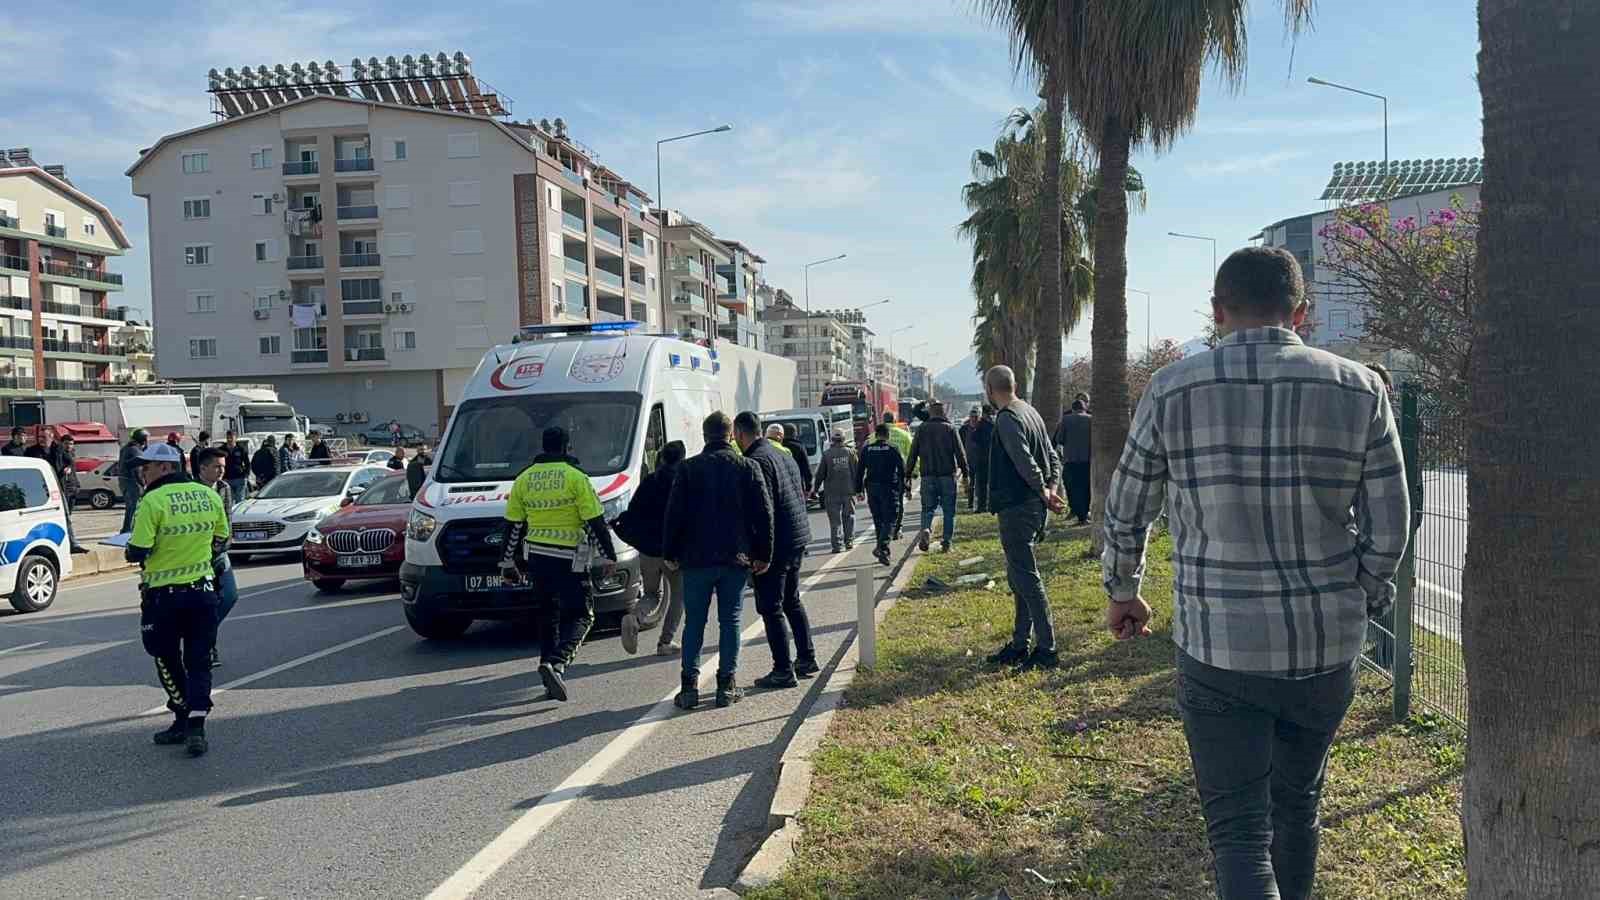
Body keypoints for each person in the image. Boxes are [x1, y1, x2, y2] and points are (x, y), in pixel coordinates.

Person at [1100, 247, 1410, 900]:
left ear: (1217, 313)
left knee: (1239, 833)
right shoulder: (1360, 388)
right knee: (1297, 806)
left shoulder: (1173, 387)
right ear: (1303, 313)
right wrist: (1361, 596)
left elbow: (1129, 505)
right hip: (1325, 649)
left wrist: (1123, 591)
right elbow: (1390, 525)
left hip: (1219, 648)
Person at [497, 426, 619, 702]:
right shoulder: (576, 478)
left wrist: (506, 563)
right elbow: (594, 522)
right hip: (569, 560)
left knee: (547, 614)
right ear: (566, 448)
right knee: (583, 615)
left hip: (536, 559)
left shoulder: (524, 479)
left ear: (543, 446)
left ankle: (548, 670)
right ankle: (557, 664)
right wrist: (608, 555)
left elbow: (512, 527)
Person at [663, 412, 773, 710]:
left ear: (704, 434)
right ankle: (727, 685)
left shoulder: (687, 469)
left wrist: (670, 553)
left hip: (695, 559)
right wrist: (764, 554)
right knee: (731, 621)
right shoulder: (747, 466)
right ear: (730, 435)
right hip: (734, 559)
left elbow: (674, 516)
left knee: (694, 622)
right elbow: (763, 514)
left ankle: (689, 689)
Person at [125, 442, 229, 757]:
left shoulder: (152, 500)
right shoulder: (208, 495)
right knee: (199, 662)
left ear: (166, 468)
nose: (143, 471)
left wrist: (131, 549)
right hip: (203, 594)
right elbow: (221, 538)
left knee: (165, 658)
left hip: (164, 598)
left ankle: (183, 716)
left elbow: (138, 550)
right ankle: (196, 726)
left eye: (148, 466)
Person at [983, 365, 1066, 671]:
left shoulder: (1008, 418)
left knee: (1027, 579)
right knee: (1018, 577)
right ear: (1014, 384)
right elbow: (1053, 456)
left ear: (989, 390)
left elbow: (1024, 460)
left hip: (1018, 506)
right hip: (1034, 505)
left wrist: (1045, 492)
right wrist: (1051, 489)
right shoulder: (1029, 411)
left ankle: (1047, 648)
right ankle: (1020, 644)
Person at [735, 412, 817, 690]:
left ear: (740, 434)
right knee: (792, 600)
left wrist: (761, 555)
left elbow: (763, 512)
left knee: (770, 607)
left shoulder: (756, 461)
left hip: (777, 544)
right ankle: (806, 658)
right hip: (796, 538)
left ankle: (783, 669)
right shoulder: (782, 454)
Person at [612, 440, 687, 658]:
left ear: (662, 458)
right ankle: (665, 641)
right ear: (682, 459)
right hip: (672, 551)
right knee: (678, 597)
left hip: (647, 552)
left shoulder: (649, 482)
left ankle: (634, 618)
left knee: (652, 593)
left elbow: (633, 512)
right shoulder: (681, 481)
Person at [905, 400, 969, 554]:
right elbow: (960, 454)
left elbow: (913, 454)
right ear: (943, 412)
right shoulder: (950, 429)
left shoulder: (922, 429)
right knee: (948, 511)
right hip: (947, 476)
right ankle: (946, 542)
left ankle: (926, 529)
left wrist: (907, 475)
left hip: (927, 476)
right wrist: (966, 474)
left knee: (927, 509)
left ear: (931, 413)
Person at [194, 447, 237, 668]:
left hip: (219, 552)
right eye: (216, 467)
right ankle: (205, 644)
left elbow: (227, 521)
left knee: (229, 596)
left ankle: (203, 635)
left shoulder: (224, 488)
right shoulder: (190, 490)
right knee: (204, 604)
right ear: (202, 468)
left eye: (223, 466)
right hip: (196, 555)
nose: (221, 471)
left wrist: (222, 546)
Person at [856, 423, 906, 566]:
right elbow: (902, 470)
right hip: (889, 488)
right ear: (887, 435)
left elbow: (860, 471)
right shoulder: (892, 449)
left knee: (878, 520)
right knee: (891, 519)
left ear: (876, 435)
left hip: (872, 489)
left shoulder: (867, 449)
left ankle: (883, 552)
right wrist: (906, 487)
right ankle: (883, 547)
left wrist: (858, 490)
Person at [814, 429, 859, 552]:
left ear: (832, 440)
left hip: (831, 492)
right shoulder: (851, 452)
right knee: (849, 517)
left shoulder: (826, 454)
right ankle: (849, 541)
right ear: (844, 439)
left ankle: (837, 545)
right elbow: (857, 472)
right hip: (849, 491)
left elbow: (820, 475)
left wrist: (815, 490)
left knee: (835, 520)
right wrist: (860, 490)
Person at [1056, 400, 1093, 525]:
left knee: (1072, 487)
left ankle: (1079, 513)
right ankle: (1085, 513)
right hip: (1087, 460)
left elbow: (1059, 439)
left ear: (1073, 409)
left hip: (1071, 460)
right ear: (1085, 408)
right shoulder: (1091, 419)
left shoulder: (1066, 420)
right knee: (1086, 487)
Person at [883, 412, 912, 538]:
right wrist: (913, 473)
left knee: (884, 503)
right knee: (898, 502)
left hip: (881, 476)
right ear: (895, 421)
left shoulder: (874, 436)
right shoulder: (905, 435)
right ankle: (897, 529)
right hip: (899, 474)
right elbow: (912, 455)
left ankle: (886, 528)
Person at [118, 429, 150, 533]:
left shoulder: (126, 448)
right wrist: (143, 483)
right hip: (132, 482)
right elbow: (138, 469)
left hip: (124, 481)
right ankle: (128, 531)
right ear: (143, 439)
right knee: (134, 508)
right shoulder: (135, 450)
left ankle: (126, 529)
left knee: (130, 507)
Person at [781, 423, 813, 495]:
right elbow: (806, 469)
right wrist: (808, 487)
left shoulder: (777, 446)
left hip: (782, 485)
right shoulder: (799, 447)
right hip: (797, 483)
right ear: (795, 433)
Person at [223, 431, 250, 501]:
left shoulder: (241, 449)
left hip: (239, 478)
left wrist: (246, 475)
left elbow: (247, 463)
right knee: (229, 501)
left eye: (231, 438)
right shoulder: (222, 449)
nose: (229, 440)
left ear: (235, 438)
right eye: (228, 438)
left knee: (240, 500)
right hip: (227, 479)